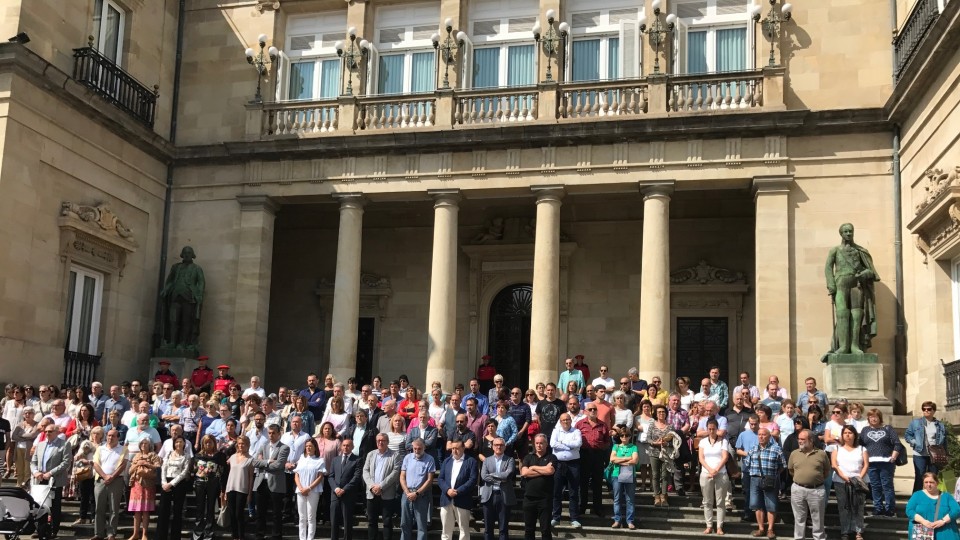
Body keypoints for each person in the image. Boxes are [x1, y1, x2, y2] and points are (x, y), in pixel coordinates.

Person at [825, 223, 879, 355]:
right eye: (846, 231)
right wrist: (831, 284)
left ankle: (855, 346)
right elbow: (828, 268)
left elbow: (871, 271)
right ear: (841, 234)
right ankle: (843, 347)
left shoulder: (859, 251)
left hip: (857, 284)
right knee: (842, 313)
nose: (849, 233)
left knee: (857, 314)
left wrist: (866, 273)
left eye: (851, 231)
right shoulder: (835, 250)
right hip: (841, 284)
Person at [30, 423, 73, 537]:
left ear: (57, 432)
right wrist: (35, 472)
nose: (47, 433)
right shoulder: (40, 445)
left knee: (54, 506)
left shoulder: (64, 444)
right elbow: (33, 461)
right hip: (40, 479)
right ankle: (41, 530)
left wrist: (50, 473)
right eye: (46, 432)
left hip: (55, 479)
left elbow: (66, 462)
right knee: (40, 505)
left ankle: (54, 530)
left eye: (50, 431)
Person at [788, 429, 831, 540]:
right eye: (799, 439)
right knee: (799, 518)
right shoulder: (794, 453)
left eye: (803, 439)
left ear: (811, 440)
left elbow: (826, 471)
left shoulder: (821, 454)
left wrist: (814, 479)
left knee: (817, 519)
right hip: (798, 489)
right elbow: (791, 470)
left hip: (816, 490)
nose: (800, 441)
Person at [746, 427, 785, 539]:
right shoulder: (753, 449)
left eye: (764, 434)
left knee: (771, 505)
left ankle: (770, 529)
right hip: (755, 479)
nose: (761, 437)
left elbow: (783, 465)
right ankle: (761, 528)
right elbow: (747, 463)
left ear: (769, 436)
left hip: (770, 479)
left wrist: (774, 474)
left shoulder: (776, 449)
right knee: (756, 504)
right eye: (759, 434)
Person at [253, 423, 290, 540]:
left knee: (276, 513)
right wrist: (269, 461)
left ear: (279, 434)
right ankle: (260, 534)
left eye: (274, 433)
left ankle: (276, 535)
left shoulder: (284, 447)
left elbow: (279, 465)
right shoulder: (263, 445)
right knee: (260, 512)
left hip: (276, 484)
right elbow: (254, 462)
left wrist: (263, 462)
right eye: (269, 433)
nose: (271, 435)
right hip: (261, 482)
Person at [861, 408, 900, 517]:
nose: (873, 419)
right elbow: (860, 444)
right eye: (871, 416)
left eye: (876, 416)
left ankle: (890, 508)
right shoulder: (865, 430)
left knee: (887, 486)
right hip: (871, 463)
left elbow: (897, 443)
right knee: (875, 486)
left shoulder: (888, 428)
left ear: (880, 417)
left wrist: (893, 456)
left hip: (886, 462)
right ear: (868, 418)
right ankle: (878, 507)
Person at [832, 425, 868, 540]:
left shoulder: (862, 449)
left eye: (850, 433)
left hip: (858, 482)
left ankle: (858, 531)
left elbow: (866, 465)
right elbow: (834, 465)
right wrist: (844, 477)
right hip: (841, 482)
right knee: (844, 507)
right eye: (845, 433)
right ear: (842, 435)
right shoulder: (836, 449)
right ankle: (845, 531)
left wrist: (858, 478)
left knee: (858, 506)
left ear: (855, 435)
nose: (848, 435)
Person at [363, 433, 402, 540]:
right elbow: (365, 471)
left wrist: (381, 486)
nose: (380, 442)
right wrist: (372, 486)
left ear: (387, 442)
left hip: (387, 493)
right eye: (378, 440)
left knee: (387, 522)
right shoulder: (370, 454)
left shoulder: (395, 455)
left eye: (383, 440)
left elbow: (395, 473)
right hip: (371, 493)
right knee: (371, 521)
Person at [576, 401, 610, 519]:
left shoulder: (603, 425)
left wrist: (601, 447)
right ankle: (582, 506)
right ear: (585, 411)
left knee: (597, 482)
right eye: (590, 409)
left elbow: (607, 441)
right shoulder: (580, 424)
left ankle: (598, 508)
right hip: (584, 455)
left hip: (598, 455)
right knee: (583, 482)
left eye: (594, 409)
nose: (592, 411)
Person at [438, 439, 478, 540]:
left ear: (463, 448)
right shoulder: (447, 461)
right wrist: (447, 490)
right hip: (446, 499)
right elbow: (440, 478)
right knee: (445, 531)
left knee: (464, 531)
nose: (454, 451)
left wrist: (458, 491)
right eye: (453, 448)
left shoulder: (471, 461)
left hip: (462, 500)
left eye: (457, 448)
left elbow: (472, 480)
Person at [906, 401, 948, 493]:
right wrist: (915, 442)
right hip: (919, 453)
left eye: (929, 409)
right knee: (919, 476)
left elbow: (945, 440)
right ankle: (916, 498)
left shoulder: (940, 425)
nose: (926, 411)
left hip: (935, 454)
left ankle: (931, 497)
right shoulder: (915, 423)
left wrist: (946, 454)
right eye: (924, 409)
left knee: (932, 477)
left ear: (933, 411)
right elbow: (908, 435)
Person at [522, 433, 557, 540]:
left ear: (546, 444)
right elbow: (524, 473)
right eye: (536, 443)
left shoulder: (552, 457)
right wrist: (543, 470)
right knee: (529, 529)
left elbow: (550, 470)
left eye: (541, 443)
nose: (538, 445)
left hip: (545, 499)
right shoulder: (528, 457)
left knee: (545, 530)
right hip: (529, 498)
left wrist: (533, 467)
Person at [549, 413, 582, 528]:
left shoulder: (576, 431)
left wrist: (562, 443)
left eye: (568, 419)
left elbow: (578, 444)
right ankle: (556, 517)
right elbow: (552, 444)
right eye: (563, 420)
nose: (566, 422)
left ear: (570, 420)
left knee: (573, 491)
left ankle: (574, 518)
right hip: (558, 464)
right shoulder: (556, 431)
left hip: (573, 464)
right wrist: (570, 446)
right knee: (556, 491)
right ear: (560, 421)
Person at [699, 417, 731, 535]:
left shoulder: (723, 441)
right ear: (707, 429)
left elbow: (725, 457)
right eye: (709, 429)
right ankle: (709, 525)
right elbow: (701, 458)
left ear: (717, 429)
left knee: (720, 501)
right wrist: (710, 470)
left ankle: (719, 526)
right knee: (707, 501)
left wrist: (716, 470)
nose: (711, 431)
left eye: (713, 429)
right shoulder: (703, 442)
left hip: (721, 473)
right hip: (706, 473)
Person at [400, 438, 436, 540]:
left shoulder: (430, 459)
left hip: (421, 495)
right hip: (406, 494)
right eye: (414, 448)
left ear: (424, 447)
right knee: (404, 524)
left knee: (421, 526)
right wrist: (407, 492)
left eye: (419, 448)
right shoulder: (407, 458)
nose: (416, 451)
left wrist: (417, 493)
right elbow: (402, 476)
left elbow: (429, 480)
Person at [480, 436, 516, 540]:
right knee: (488, 529)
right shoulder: (487, 460)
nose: (498, 447)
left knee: (503, 529)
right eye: (496, 445)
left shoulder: (510, 460)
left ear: (505, 447)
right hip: (488, 497)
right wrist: (501, 478)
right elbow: (483, 476)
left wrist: (492, 475)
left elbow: (508, 475)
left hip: (504, 496)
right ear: (492, 446)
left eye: (501, 445)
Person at [156, 436, 191, 540]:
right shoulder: (169, 454)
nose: (178, 444)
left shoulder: (187, 456)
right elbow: (164, 468)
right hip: (166, 482)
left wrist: (171, 484)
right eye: (177, 442)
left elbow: (184, 473)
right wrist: (163, 483)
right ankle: (161, 536)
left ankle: (175, 537)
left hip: (178, 484)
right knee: (163, 511)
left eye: (181, 442)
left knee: (177, 511)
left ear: (184, 444)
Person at [908, 472, 960, 540]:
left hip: (945, 530)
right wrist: (923, 521)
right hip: (922, 529)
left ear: (937, 483)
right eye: (926, 482)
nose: (928, 484)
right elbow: (909, 510)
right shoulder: (917, 495)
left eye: (931, 482)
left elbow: (957, 510)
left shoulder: (946, 496)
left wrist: (943, 521)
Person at [192, 434, 226, 540]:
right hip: (200, 483)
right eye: (206, 442)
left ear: (214, 443)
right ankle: (198, 532)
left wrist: (223, 488)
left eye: (210, 442)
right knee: (200, 507)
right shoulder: (198, 455)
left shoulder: (220, 455)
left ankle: (209, 533)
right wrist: (203, 469)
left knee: (211, 508)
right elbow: (194, 469)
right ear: (202, 444)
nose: (208, 444)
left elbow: (223, 472)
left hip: (214, 483)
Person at [128, 437, 162, 540]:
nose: (143, 445)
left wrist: (146, 463)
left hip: (148, 484)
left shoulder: (154, 455)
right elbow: (130, 471)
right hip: (136, 484)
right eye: (142, 443)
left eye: (146, 443)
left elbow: (158, 467)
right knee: (137, 511)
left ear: (150, 445)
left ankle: (144, 534)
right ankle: (135, 533)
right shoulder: (136, 456)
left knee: (146, 511)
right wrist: (137, 464)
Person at [329, 438, 362, 540]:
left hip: (348, 495)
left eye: (348, 445)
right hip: (335, 494)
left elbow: (356, 477)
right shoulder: (335, 460)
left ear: (352, 447)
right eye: (344, 445)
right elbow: (331, 476)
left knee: (347, 521)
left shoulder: (357, 460)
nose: (345, 447)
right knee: (334, 521)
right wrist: (336, 488)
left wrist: (344, 489)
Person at [294, 438, 326, 540]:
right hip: (300, 491)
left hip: (313, 491)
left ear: (315, 448)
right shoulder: (301, 458)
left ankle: (310, 538)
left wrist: (309, 488)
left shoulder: (320, 460)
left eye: (310, 446)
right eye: (307, 446)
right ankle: (302, 538)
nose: (308, 448)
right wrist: (301, 488)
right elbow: (296, 475)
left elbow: (320, 477)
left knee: (311, 517)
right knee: (302, 517)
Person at [70, 425, 102, 526]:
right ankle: (82, 517)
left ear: (102, 435)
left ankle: (94, 518)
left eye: (98, 434)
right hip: (84, 473)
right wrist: (79, 456)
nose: (95, 435)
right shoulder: (86, 443)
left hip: (96, 473)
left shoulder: (103, 446)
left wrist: (88, 461)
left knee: (94, 497)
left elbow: (101, 460)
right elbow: (77, 457)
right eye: (94, 433)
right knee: (84, 497)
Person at [226, 435, 255, 540]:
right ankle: (235, 536)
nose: (241, 445)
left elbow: (251, 477)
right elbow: (230, 473)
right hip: (230, 488)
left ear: (247, 445)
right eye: (239, 443)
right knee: (232, 514)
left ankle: (241, 536)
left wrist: (250, 493)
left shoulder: (251, 459)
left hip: (242, 489)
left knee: (239, 514)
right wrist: (225, 491)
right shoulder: (232, 457)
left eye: (243, 443)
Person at [609, 424, 639, 529]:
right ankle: (617, 520)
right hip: (617, 474)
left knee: (630, 499)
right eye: (622, 436)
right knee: (617, 499)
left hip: (630, 475)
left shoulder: (634, 447)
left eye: (626, 435)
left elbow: (635, 460)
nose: (624, 437)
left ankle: (630, 521)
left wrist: (620, 460)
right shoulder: (616, 446)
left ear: (630, 436)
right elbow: (612, 459)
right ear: (620, 437)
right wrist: (627, 459)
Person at [648, 404, 676, 507]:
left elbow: (674, 442)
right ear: (656, 413)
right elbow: (648, 439)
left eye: (663, 412)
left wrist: (666, 444)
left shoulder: (670, 426)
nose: (661, 413)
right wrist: (655, 443)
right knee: (655, 475)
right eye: (659, 412)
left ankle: (664, 496)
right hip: (653, 452)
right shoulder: (652, 424)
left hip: (666, 453)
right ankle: (656, 496)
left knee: (665, 475)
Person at [12, 407, 39, 488]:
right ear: (23, 415)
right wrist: (26, 437)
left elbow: (33, 435)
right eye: (26, 413)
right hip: (18, 449)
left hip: (29, 450)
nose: (27, 414)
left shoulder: (36, 424)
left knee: (27, 470)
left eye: (30, 413)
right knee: (19, 469)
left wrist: (20, 435)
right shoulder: (20, 424)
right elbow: (13, 436)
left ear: (33, 414)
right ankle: (19, 486)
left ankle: (26, 488)